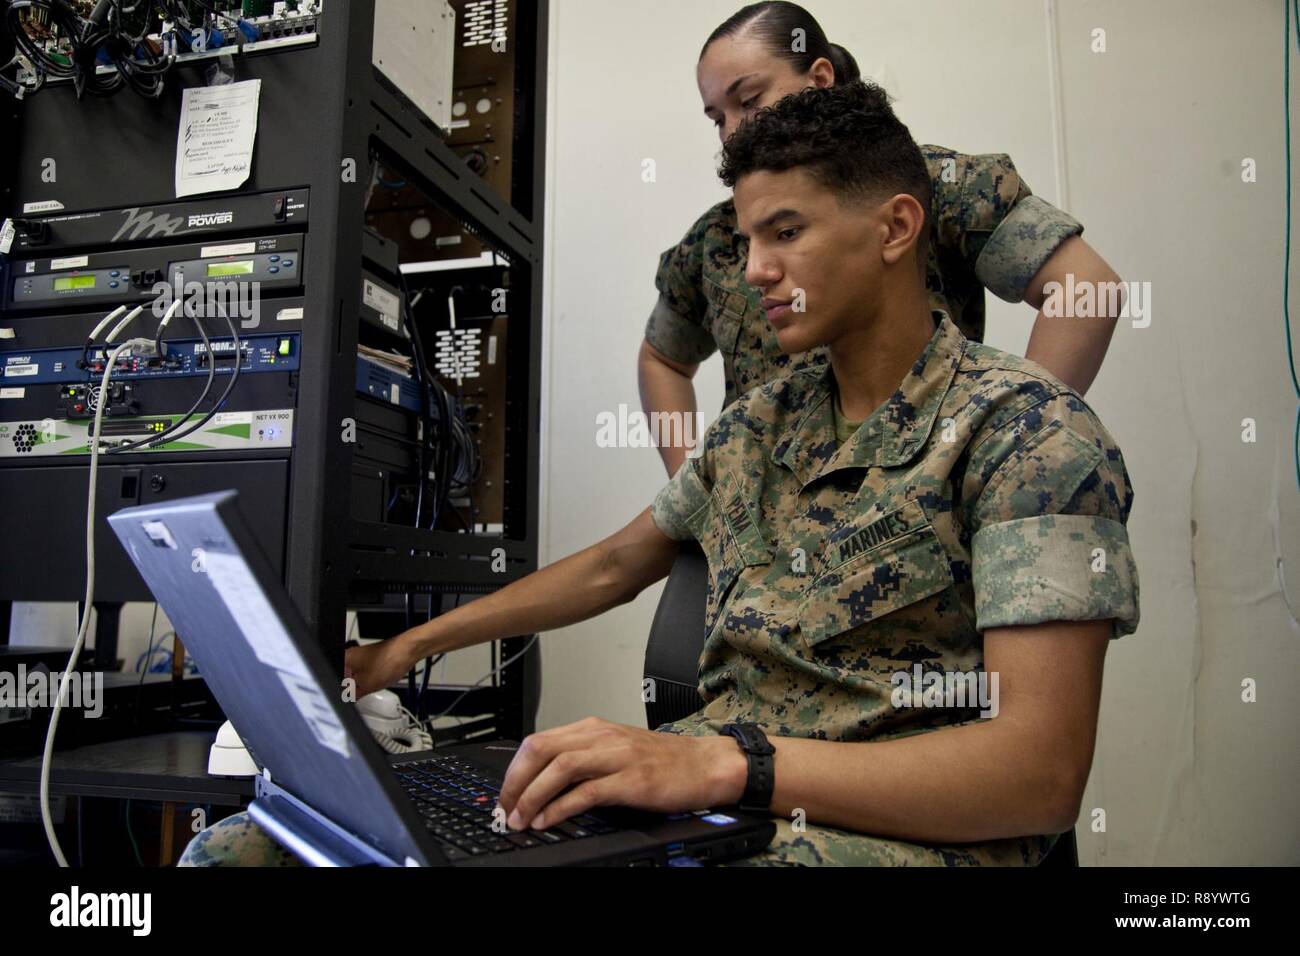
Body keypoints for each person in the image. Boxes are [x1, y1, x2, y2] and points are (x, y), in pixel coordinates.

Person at [180, 80, 1139, 867]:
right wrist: (406, 648)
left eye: (787, 233)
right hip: (716, 796)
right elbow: (611, 565)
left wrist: (731, 768)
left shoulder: (1032, 434)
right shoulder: (759, 425)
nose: (756, 270)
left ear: (894, 229)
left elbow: (1038, 777)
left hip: (880, 827)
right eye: (748, 238)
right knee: (257, 851)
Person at [641, 1, 1124, 476]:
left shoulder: (927, 185)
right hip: (762, 533)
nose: (731, 130)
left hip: (911, 520)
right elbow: (663, 358)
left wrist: (1008, 442)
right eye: (716, 117)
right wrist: (694, 483)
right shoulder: (718, 236)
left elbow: (1085, 288)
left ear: (820, 80)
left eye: (748, 101)